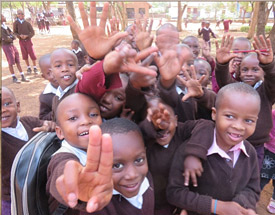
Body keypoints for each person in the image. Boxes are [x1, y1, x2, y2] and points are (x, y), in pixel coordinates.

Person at [167, 82, 262, 215]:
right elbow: (175, 193)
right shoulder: (191, 151)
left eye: (249, 120)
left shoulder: (250, 152)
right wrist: (217, 206)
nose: (239, 126)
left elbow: (252, 188)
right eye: (230, 116)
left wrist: (240, 206)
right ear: (214, 114)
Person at [139, 98, 214, 214]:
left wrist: (193, 155)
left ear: (176, 120)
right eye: (155, 124)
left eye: (166, 121)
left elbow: (206, 125)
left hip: (183, 201)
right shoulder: (146, 141)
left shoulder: (182, 130)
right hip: (156, 205)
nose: (162, 128)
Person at [215, 34, 275, 169]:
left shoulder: (267, 91)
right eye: (244, 69)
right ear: (239, 73)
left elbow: (273, 80)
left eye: (255, 69)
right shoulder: (236, 88)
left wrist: (268, 65)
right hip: (232, 142)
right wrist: (222, 64)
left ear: (263, 72)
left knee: (251, 177)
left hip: (256, 146)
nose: (249, 73)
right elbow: (224, 82)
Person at [1, 86, 55, 215]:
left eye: (7, 104)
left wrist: (50, 126)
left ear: (18, 106)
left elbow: (48, 125)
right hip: (14, 197)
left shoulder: (29, 122)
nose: (2, 110)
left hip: (41, 189)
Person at [1, 14, 29, 83]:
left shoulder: (5, 26)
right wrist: (11, 37)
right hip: (6, 46)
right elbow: (6, 38)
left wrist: (11, 37)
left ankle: (22, 76)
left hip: (11, 45)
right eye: (3, 16)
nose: (4, 17)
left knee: (17, 60)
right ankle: (14, 77)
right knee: (11, 62)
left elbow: (13, 35)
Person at [13, 9, 38, 74]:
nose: (20, 15)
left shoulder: (27, 23)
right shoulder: (15, 23)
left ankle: (35, 67)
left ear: (24, 15)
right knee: (24, 54)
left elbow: (32, 32)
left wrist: (27, 36)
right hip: (21, 41)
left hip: (28, 41)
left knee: (32, 53)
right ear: (17, 15)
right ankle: (28, 67)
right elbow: (14, 32)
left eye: (21, 14)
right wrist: (19, 36)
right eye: (18, 14)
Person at [260, 110, 275, 214]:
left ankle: (274, 200)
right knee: (263, 176)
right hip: (271, 151)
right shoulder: (273, 114)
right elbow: (268, 130)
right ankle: (253, 195)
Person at [38, 53, 58, 120]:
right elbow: (43, 118)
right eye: (49, 73)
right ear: (44, 77)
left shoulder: (75, 85)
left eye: (55, 70)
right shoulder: (45, 97)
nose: (54, 76)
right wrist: (57, 111)